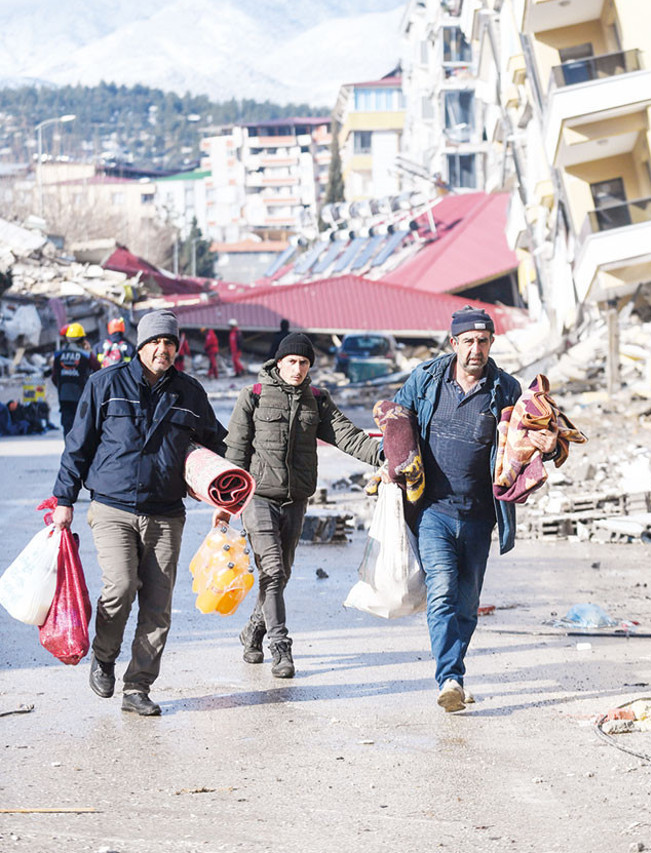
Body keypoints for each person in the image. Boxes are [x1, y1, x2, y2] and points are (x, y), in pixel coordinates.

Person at [50, 310, 227, 717]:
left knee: (158, 604)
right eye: (155, 342)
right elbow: (77, 447)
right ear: (140, 345)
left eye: (169, 343)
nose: (162, 349)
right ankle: (105, 655)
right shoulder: (105, 384)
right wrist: (64, 500)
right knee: (121, 587)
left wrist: (226, 493)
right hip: (111, 506)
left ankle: (138, 688)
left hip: (166, 512)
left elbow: (216, 445)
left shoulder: (189, 393)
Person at [216, 331, 382, 679]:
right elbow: (234, 452)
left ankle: (253, 631)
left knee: (280, 576)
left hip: (296, 500)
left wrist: (384, 455)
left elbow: (348, 436)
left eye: (304, 362)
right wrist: (224, 502)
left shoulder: (317, 400)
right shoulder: (254, 396)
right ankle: (281, 648)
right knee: (273, 571)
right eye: (292, 361)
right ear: (279, 362)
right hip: (257, 497)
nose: (298, 368)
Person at [393, 305, 522, 713]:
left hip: (480, 514)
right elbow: (396, 419)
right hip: (433, 510)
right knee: (443, 589)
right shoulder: (427, 380)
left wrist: (547, 449)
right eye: (468, 341)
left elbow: (530, 438)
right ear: (454, 343)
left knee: (468, 603)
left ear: (491, 343)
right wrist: (391, 463)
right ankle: (449, 677)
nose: (475, 349)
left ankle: (455, 669)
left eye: (483, 341)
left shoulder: (506, 390)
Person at [51, 323, 99, 436]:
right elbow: (98, 369)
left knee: (67, 426)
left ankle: (69, 450)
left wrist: (62, 386)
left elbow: (54, 377)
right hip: (81, 396)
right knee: (81, 426)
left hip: (64, 396)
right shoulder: (86, 355)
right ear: (82, 338)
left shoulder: (58, 355)